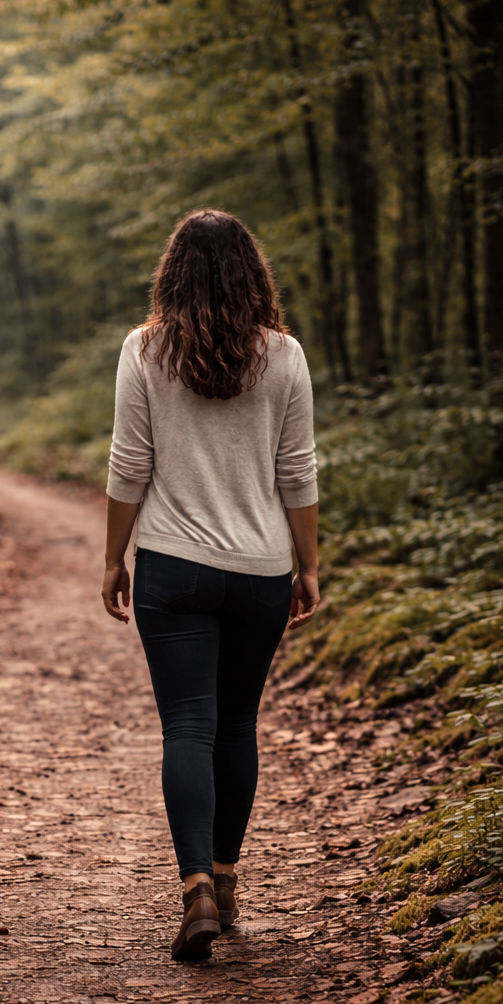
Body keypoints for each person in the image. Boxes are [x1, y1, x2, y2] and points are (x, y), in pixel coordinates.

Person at [101, 209, 319, 961]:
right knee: (237, 726)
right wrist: (309, 563)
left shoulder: (144, 349)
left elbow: (130, 463)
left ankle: (194, 885)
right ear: (253, 273)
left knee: (188, 727)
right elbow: (298, 470)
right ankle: (226, 881)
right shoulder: (284, 356)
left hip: (173, 565)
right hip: (261, 569)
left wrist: (112, 556)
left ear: (173, 273)